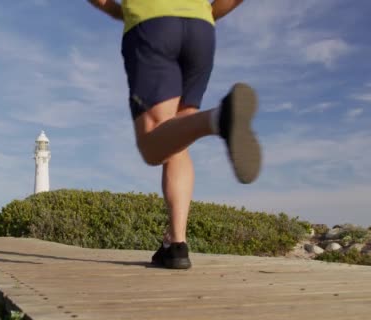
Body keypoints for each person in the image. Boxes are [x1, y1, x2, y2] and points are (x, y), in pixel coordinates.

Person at [87, 0, 261, 269]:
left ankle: (218, 119)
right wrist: (208, 13)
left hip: (151, 22)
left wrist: (118, 11)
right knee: (178, 137)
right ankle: (176, 245)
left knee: (152, 145)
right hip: (201, 30)